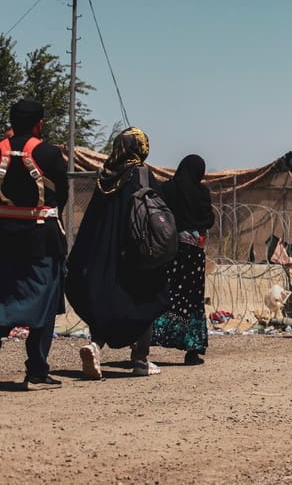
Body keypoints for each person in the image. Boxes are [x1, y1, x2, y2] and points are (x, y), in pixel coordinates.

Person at [67, 127, 171, 379]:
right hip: (135, 250)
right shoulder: (141, 174)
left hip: (104, 252)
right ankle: (141, 359)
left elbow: (93, 218)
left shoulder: (105, 176)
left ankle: (95, 346)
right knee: (147, 298)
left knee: (108, 301)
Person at [0, 99, 68, 390]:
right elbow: (62, 193)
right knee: (44, 301)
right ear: (39, 124)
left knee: (4, 297)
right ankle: (37, 370)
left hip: (4, 237)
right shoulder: (49, 154)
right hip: (41, 239)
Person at [151, 155, 215, 365]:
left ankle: (146, 343)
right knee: (192, 298)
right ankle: (192, 350)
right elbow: (209, 220)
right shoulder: (202, 192)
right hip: (194, 253)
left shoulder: (167, 188)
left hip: (170, 250)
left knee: (164, 292)